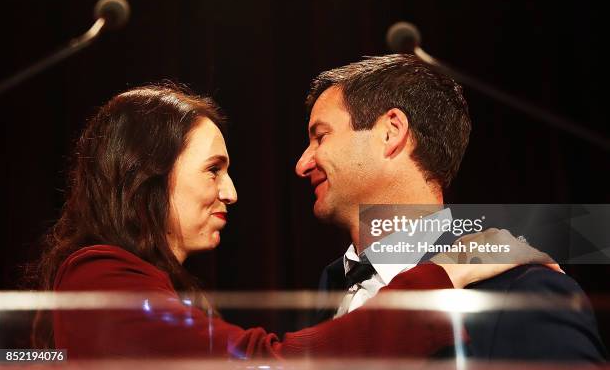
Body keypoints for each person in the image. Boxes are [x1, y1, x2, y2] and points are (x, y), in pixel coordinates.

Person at [31, 83, 525, 360]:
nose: (232, 192)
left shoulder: (527, 282)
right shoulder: (96, 276)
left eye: (320, 135)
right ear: (146, 176)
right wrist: (444, 272)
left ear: (392, 133)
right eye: (213, 169)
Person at [295, 54, 607, 361]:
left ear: (391, 131)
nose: (302, 164)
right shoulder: (328, 290)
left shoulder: (522, 291)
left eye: (321, 137)